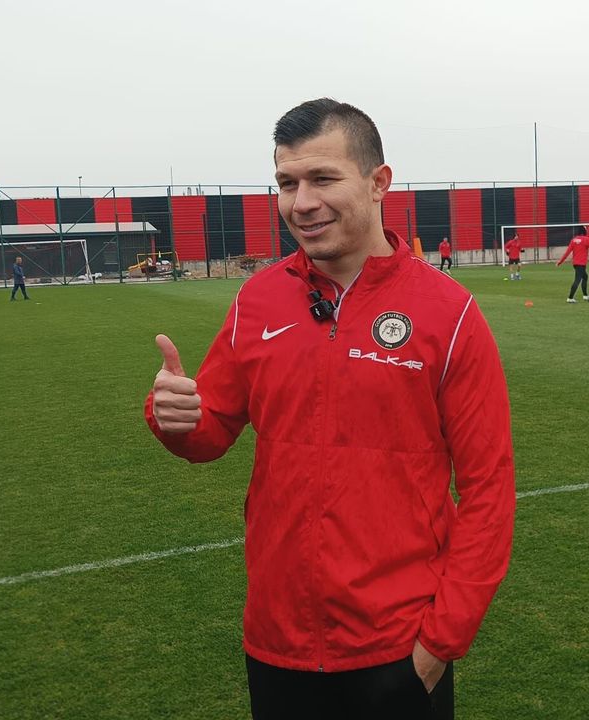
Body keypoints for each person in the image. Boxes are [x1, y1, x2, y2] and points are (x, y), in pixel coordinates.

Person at [146, 98, 514, 720]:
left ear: (378, 183)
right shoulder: (257, 301)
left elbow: (488, 489)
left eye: (322, 178)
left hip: (398, 649)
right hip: (277, 641)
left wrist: (438, 645)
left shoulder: (450, 314)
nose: (301, 203)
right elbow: (209, 434)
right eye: (287, 183)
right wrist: (174, 417)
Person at [556, 226, 589, 302]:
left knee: (585, 277)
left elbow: (567, 252)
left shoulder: (573, 240)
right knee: (577, 280)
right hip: (581, 264)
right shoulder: (586, 239)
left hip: (575, 264)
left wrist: (560, 262)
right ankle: (570, 298)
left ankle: (585, 296)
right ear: (584, 231)